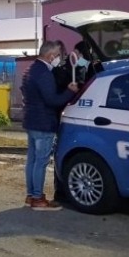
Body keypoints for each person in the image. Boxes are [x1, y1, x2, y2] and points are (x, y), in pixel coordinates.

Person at [21, 40, 79, 211]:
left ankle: (32, 195)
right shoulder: (44, 74)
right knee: (40, 162)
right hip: (43, 123)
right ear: (50, 55)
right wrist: (70, 92)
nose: (58, 59)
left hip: (31, 121)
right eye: (57, 55)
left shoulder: (31, 69)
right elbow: (52, 100)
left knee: (32, 161)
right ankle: (38, 199)